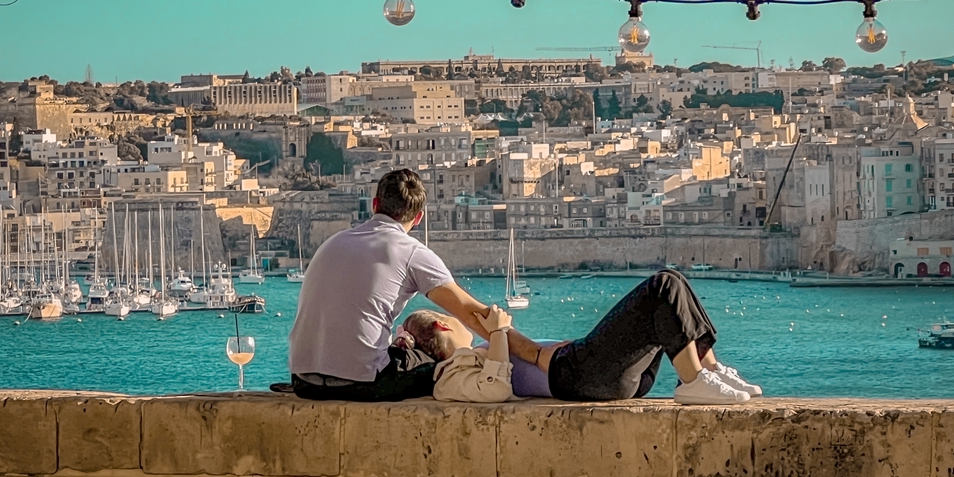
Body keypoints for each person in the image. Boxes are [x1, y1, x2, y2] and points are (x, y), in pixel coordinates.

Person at [287, 168, 504, 401]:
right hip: (363, 383)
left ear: (375, 204)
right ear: (419, 217)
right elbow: (471, 314)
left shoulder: (332, 243)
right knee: (441, 362)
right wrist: (523, 348)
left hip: (303, 381)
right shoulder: (410, 251)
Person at [401, 269, 762, 405]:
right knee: (662, 286)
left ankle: (708, 371)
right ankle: (694, 379)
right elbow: (503, 379)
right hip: (574, 375)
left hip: (584, 370)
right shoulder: (456, 369)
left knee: (674, 283)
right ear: (445, 326)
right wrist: (498, 333)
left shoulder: (476, 353)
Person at [395, 305, 515, 403]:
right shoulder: (448, 378)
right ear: (442, 325)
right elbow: (495, 390)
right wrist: (498, 331)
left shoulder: (459, 366)